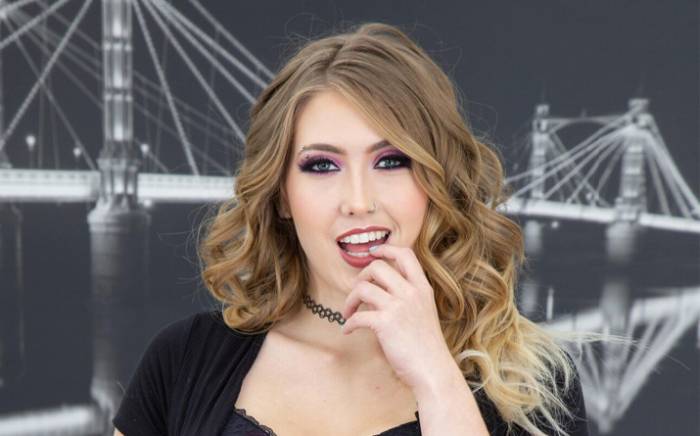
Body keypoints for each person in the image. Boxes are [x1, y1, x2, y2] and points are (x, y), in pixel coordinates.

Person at [113, 22, 593, 436]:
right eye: (322, 166)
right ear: (281, 195)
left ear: (436, 181)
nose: (359, 201)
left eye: (391, 161)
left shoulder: (533, 384)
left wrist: (435, 375)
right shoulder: (182, 360)